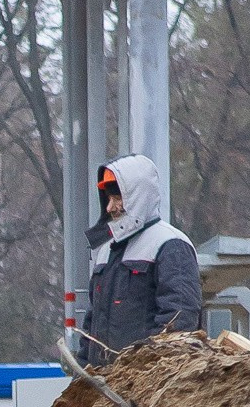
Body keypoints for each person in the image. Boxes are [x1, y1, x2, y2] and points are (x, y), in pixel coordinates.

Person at [79, 153, 204, 359]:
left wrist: (140, 373)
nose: (110, 207)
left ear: (137, 196)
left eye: (117, 198)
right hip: (104, 384)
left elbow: (179, 324)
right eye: (109, 199)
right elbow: (91, 328)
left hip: (146, 385)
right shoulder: (106, 250)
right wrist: (82, 380)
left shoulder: (170, 244)